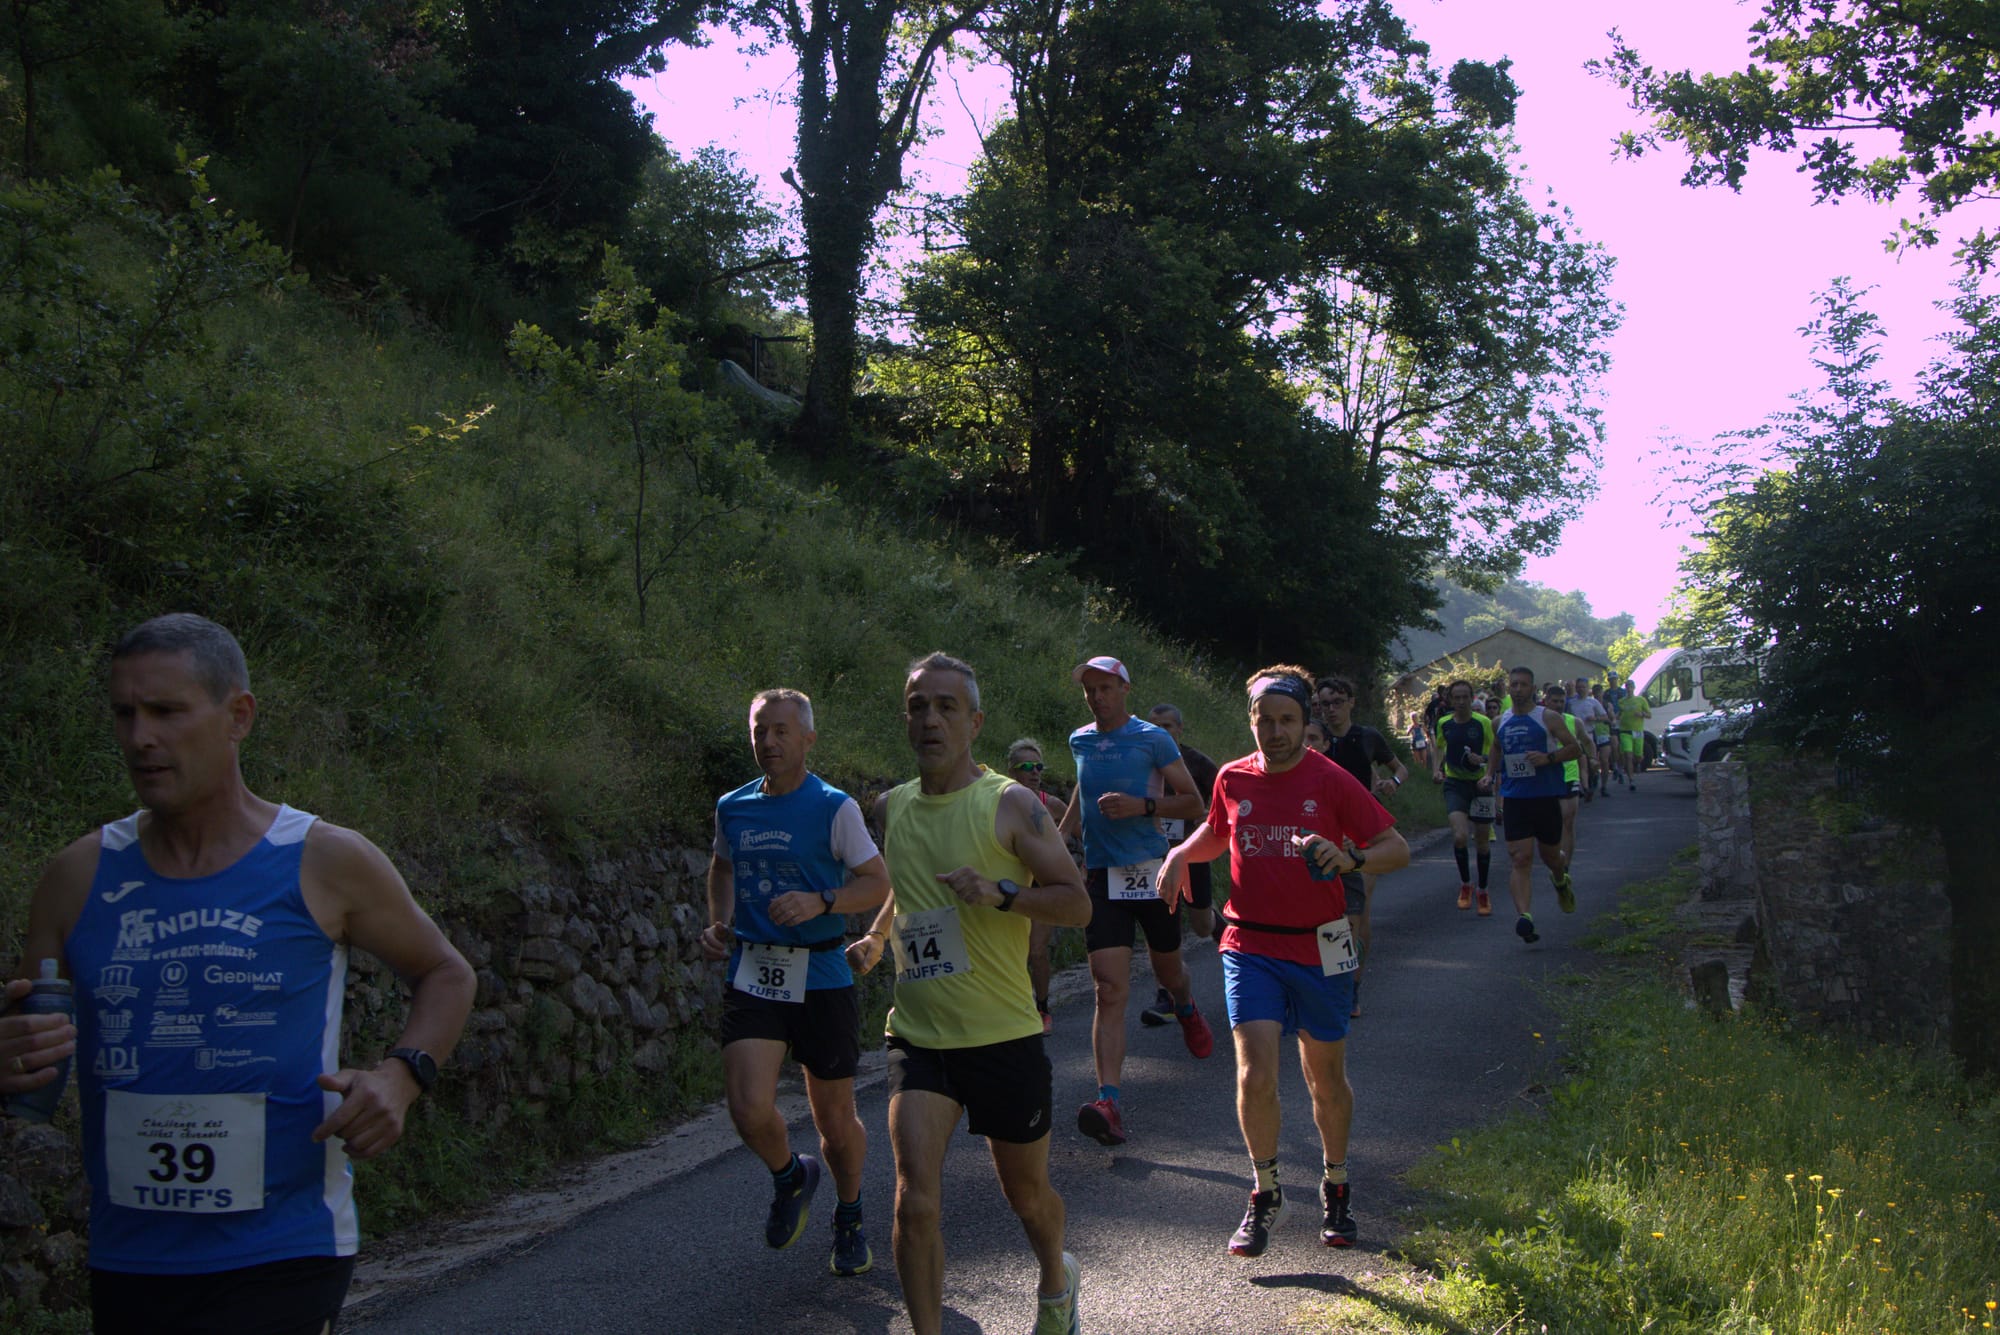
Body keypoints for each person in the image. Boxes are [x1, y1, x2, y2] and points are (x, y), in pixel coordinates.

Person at [0, 613, 475, 1335]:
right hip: (129, 1254)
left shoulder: (324, 859)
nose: (140, 737)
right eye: (124, 714)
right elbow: (31, 1056)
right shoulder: (76, 876)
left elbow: (444, 970)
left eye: (165, 710)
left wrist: (403, 1075)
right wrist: (11, 1057)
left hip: (284, 1245)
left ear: (238, 716)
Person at [848, 653, 1091, 1335]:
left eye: (946, 706)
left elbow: (1077, 905)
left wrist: (1002, 893)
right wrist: (874, 938)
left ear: (974, 721)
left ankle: (1055, 1278)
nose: (931, 719)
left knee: (1028, 1196)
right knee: (913, 1202)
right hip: (920, 1038)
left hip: (1003, 1035)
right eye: (918, 705)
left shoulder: (1009, 803)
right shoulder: (890, 806)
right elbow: (906, 885)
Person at [1157, 666, 1410, 1257]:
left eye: (1286, 720)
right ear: (1251, 720)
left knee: (1325, 1078)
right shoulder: (1233, 778)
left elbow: (1393, 848)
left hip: (1321, 944)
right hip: (1251, 943)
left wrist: (1349, 859)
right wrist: (1179, 853)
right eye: (1263, 720)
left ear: (1305, 722)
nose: (1274, 732)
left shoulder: (1334, 780)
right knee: (1254, 1071)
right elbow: (1218, 835)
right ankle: (1266, 1190)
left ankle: (1337, 1182)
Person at [701, 689, 891, 1276]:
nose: (769, 743)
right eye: (761, 732)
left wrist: (822, 901)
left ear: (807, 740)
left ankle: (851, 1213)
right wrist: (719, 920)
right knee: (748, 1105)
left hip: (822, 972)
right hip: (754, 968)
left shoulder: (834, 808)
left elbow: (877, 883)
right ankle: (791, 1176)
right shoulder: (733, 807)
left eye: (782, 732)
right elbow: (722, 866)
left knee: (835, 1117)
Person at [1058, 655, 1213, 1148]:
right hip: (1104, 878)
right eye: (1090, 690)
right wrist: (1061, 842)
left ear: (1125, 689)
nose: (1097, 697)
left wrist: (1142, 806)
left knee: (1169, 972)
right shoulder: (1080, 739)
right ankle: (1109, 1100)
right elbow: (1084, 795)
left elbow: (1194, 804)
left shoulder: (1153, 738)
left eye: (1105, 688)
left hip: (1152, 873)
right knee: (1109, 989)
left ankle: (1186, 1007)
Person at [1311, 677, 1407, 1018]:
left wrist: (1390, 783)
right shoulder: (1313, 738)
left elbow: (1400, 769)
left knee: (1355, 912)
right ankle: (1330, 979)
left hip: (1363, 834)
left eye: (1337, 701)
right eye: (1324, 703)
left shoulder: (1368, 736)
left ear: (1351, 701)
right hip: (1324, 833)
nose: (1331, 709)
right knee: (1329, 912)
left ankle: (1351, 985)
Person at [1137, 703, 1219, 1026]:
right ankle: (1165, 996)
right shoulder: (1140, 762)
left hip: (1191, 852)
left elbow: (1226, 797)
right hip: (1153, 855)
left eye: (1167, 726)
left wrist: (1207, 817)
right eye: (1154, 726)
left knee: (1200, 925)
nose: (1160, 732)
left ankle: (1221, 925)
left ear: (1180, 729)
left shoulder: (1197, 763)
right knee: (1161, 922)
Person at [1487, 666, 1582, 944]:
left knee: (1551, 857)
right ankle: (1524, 916)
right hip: (1515, 798)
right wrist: (1489, 774)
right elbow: (1495, 747)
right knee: (1520, 858)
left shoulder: (1548, 717)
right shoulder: (1499, 721)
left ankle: (1561, 881)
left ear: (1533, 688)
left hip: (1545, 797)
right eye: (1513, 684)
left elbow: (1575, 748)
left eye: (1523, 685)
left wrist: (1547, 758)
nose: (1517, 689)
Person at [1005, 738, 1069, 1034]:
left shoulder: (1050, 804)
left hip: (1043, 890)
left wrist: (1079, 864)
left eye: (1038, 766)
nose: (1034, 772)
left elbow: (1083, 831)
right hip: (1009, 888)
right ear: (1011, 771)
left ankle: (1042, 1007)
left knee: (1037, 951)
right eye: (1026, 767)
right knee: (1009, 951)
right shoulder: (998, 803)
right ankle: (1013, 1007)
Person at [1431, 680, 1497, 914]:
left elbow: (1495, 751)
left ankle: (1483, 890)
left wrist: (1486, 765)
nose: (1460, 702)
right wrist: (1436, 769)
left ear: (1472, 699)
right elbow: (1438, 746)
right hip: (1455, 783)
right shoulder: (1444, 723)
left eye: (1464, 697)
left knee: (1481, 842)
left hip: (1480, 785)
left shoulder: (1484, 723)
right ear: (1450, 700)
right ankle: (1466, 885)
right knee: (1459, 836)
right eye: (1456, 698)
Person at [1543, 683, 1585, 877]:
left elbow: (1587, 743)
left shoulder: (1574, 721)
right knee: (1552, 823)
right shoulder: (1538, 721)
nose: (1559, 705)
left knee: (1568, 821)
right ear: (1546, 701)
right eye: (1555, 701)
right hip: (1546, 777)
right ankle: (1555, 858)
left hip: (1569, 774)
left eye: (1562, 701)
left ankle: (1565, 865)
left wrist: (1591, 760)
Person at [1567, 677, 1608, 803]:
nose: (1580, 689)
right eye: (1578, 687)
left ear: (1587, 688)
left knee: (1592, 764)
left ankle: (1594, 778)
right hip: (1576, 737)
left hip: (1589, 735)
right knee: (1582, 763)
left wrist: (1594, 718)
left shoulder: (1593, 702)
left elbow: (1605, 717)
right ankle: (1585, 788)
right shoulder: (1571, 703)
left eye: (1583, 687)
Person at [1617, 688, 1653, 788]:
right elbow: (1619, 714)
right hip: (1625, 731)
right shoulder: (1621, 701)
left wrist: (1642, 714)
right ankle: (1631, 780)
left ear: (1633, 688)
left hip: (1637, 731)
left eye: (1630, 687)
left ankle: (1637, 763)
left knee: (1638, 756)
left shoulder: (1641, 700)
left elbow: (1649, 715)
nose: (1629, 689)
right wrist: (1614, 718)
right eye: (1627, 687)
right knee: (1628, 755)